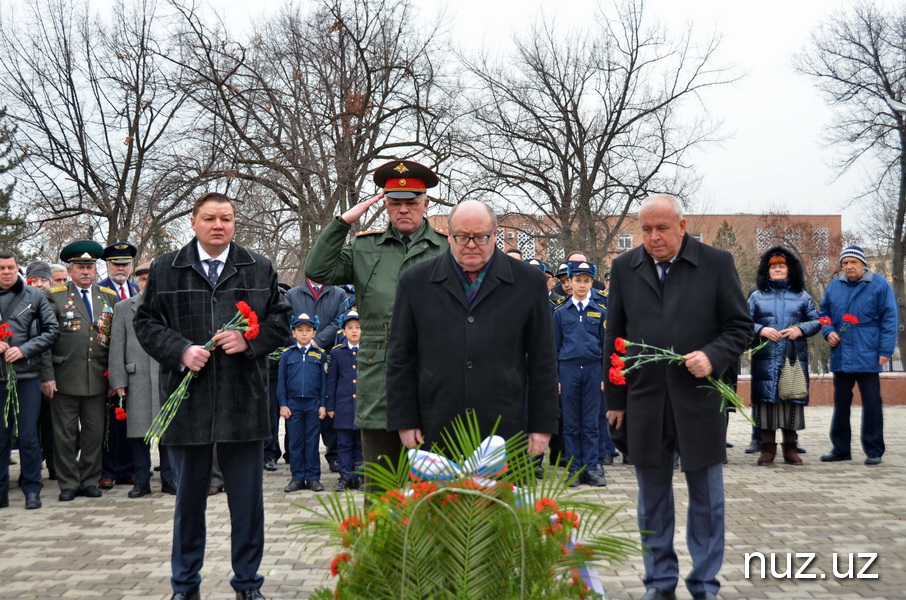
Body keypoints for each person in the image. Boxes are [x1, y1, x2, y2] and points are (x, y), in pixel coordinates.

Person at [134, 192, 291, 600]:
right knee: (189, 503)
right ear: (194, 222)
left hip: (245, 400)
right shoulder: (168, 268)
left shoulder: (258, 267)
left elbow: (280, 320)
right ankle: (185, 586)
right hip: (188, 403)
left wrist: (249, 341)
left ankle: (248, 584)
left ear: (235, 222)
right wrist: (181, 350)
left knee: (247, 504)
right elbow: (146, 322)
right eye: (209, 218)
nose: (218, 225)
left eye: (226, 218)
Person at [604, 194, 752, 600]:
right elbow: (613, 340)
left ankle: (705, 584)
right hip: (645, 402)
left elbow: (740, 326)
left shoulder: (716, 264)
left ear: (682, 226)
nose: (653, 237)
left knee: (707, 500)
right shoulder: (624, 268)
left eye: (662, 228)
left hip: (699, 400)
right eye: (646, 229)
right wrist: (615, 401)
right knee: (652, 502)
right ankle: (659, 583)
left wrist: (713, 355)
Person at [303, 160, 448, 483]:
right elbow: (318, 270)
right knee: (383, 488)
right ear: (385, 205)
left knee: (434, 488)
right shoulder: (365, 247)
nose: (404, 210)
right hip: (378, 378)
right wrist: (342, 223)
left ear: (427, 204)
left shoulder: (445, 249)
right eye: (396, 203)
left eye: (412, 203)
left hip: (434, 376)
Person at [386, 200, 559, 454]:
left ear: (495, 235)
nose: (470, 245)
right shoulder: (415, 282)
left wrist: (542, 425)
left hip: (504, 426)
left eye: (479, 237)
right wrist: (404, 419)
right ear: (448, 236)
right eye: (462, 237)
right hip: (436, 425)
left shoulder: (528, 281)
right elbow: (400, 357)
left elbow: (542, 359)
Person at [42, 241, 119, 502]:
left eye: (89, 267)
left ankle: (89, 480)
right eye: (80, 267)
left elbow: (113, 340)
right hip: (64, 376)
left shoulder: (108, 296)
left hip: (97, 377)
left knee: (94, 433)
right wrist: (48, 376)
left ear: (95, 270)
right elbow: (46, 340)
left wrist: (114, 377)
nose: (85, 271)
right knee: (64, 435)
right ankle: (68, 483)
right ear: (70, 269)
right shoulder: (55, 295)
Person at [818, 246, 897, 466]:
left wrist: (885, 350)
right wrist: (828, 331)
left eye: (853, 262)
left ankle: (874, 450)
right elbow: (823, 314)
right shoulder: (835, 286)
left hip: (868, 353)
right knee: (841, 403)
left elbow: (889, 319)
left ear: (863, 264)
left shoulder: (879, 284)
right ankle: (841, 449)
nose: (849, 266)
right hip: (841, 353)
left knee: (872, 403)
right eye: (845, 263)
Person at [108, 261, 176, 497]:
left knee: (167, 430)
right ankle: (142, 481)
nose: (148, 282)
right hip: (136, 378)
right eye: (144, 278)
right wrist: (118, 381)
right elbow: (117, 346)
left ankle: (169, 478)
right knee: (139, 433)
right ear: (138, 281)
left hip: (166, 376)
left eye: (152, 278)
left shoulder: (171, 306)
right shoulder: (124, 307)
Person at [747, 247, 820, 466]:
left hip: (793, 357)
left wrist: (801, 330)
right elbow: (742, 322)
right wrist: (761, 330)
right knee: (767, 404)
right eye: (773, 266)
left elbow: (818, 321)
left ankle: (791, 449)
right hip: (766, 359)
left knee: (791, 401)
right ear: (766, 271)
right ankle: (767, 450)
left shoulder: (802, 296)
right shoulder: (757, 296)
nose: (777, 269)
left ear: (790, 269)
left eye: (781, 265)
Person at [0, 251, 59, 510]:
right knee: (1, 438)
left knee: (28, 437)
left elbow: (52, 331)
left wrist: (24, 349)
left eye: (11, 267)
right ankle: (1, 491)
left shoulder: (34, 295)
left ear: (17, 268)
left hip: (27, 376)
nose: (6, 272)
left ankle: (32, 489)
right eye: (1, 268)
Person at [552, 261, 607, 487]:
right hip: (569, 370)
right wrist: (556, 378)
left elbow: (607, 347)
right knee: (571, 423)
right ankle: (575, 469)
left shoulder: (601, 311)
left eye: (586, 281)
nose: (582, 285)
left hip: (593, 369)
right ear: (570, 282)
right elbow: (554, 347)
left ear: (592, 283)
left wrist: (604, 376)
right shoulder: (560, 312)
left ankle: (592, 468)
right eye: (578, 280)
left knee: (591, 422)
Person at [286, 276, 347, 473]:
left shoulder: (338, 293)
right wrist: (302, 343)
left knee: (329, 405)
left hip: (329, 356)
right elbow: (285, 321)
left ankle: (334, 454)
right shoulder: (293, 294)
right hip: (300, 360)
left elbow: (340, 320)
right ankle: (299, 462)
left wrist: (317, 340)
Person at [97, 242, 140, 489]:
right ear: (108, 265)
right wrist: (112, 373)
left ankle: (127, 469)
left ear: (131, 266)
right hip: (105, 366)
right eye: (116, 264)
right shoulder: (98, 291)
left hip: (133, 367)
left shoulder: (136, 289)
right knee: (107, 423)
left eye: (125, 264)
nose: (120, 268)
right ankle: (107, 470)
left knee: (128, 420)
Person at [278, 312, 327, 493]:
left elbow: (324, 383)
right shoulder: (287, 355)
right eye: (300, 330)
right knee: (296, 443)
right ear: (293, 333)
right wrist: (283, 404)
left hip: (313, 404)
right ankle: (297, 478)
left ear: (314, 333)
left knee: (312, 441)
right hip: (293, 405)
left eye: (308, 330)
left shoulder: (319, 355)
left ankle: (313, 478)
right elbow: (281, 382)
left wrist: (323, 404)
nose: (304, 334)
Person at [326, 310, 363, 491]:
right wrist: (330, 406)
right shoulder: (338, 353)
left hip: (363, 408)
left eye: (358, 327)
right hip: (343, 407)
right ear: (343, 331)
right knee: (344, 444)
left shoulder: (367, 352)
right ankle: (346, 476)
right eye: (350, 328)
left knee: (361, 444)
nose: (354, 331)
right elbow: (332, 382)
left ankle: (361, 476)